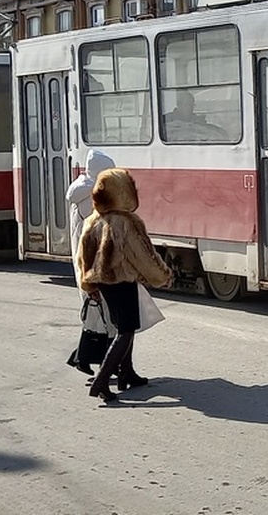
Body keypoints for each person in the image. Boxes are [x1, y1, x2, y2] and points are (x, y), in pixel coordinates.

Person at [76, 168, 173, 404]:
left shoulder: (93, 220)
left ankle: (126, 372)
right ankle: (102, 381)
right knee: (125, 331)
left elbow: (83, 257)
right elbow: (144, 256)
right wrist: (164, 276)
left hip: (103, 282)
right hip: (122, 281)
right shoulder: (127, 222)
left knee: (123, 326)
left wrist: (89, 284)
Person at [64, 149, 115, 376]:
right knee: (101, 316)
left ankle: (87, 359)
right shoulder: (90, 198)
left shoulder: (82, 190)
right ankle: (86, 359)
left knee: (98, 317)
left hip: (86, 263)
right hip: (92, 266)